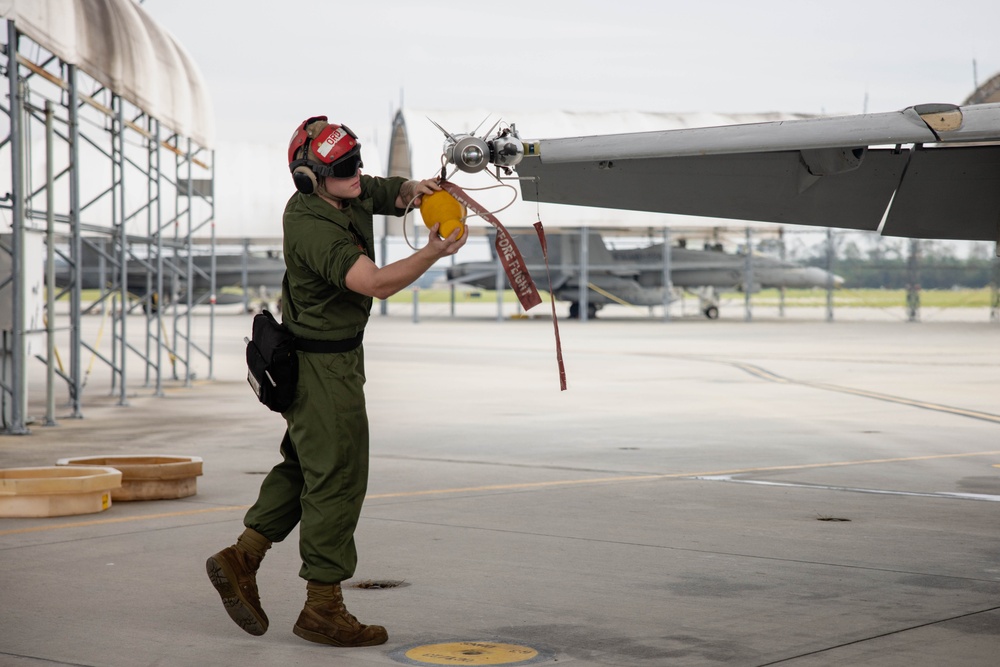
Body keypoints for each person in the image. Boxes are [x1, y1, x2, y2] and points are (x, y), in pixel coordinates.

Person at [206, 116, 467, 647]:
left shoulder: (339, 192)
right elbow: (373, 281)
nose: (358, 173)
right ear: (310, 178)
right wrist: (432, 252)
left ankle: (242, 557)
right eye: (345, 168)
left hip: (325, 361)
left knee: (304, 466)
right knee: (338, 477)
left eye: (357, 161)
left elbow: (381, 190)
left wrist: (416, 190)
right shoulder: (311, 225)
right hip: (324, 370)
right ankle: (322, 606)